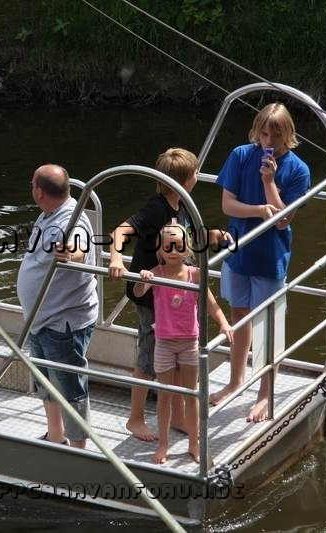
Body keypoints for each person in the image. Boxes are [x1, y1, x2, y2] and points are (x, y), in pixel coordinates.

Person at [210, 103, 310, 422]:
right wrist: (257, 210)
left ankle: (265, 395)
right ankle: (235, 380)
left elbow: (284, 220)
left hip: (270, 257)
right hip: (238, 251)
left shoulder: (297, 169)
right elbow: (228, 204)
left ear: (287, 134)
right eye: (264, 132)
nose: (268, 140)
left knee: (268, 323)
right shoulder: (240, 155)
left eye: (275, 135)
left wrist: (269, 183)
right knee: (240, 315)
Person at [108, 148, 215, 442]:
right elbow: (121, 231)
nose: (197, 177)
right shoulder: (157, 208)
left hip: (176, 295)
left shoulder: (181, 206)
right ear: (185, 179)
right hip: (151, 294)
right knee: (148, 356)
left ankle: (179, 416)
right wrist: (116, 259)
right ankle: (136, 418)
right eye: (194, 173)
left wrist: (213, 237)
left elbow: (187, 242)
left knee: (179, 355)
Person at [133, 224, 234, 464]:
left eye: (178, 246)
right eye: (167, 246)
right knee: (165, 397)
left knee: (191, 395)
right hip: (164, 344)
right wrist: (142, 279)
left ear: (187, 248)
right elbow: (138, 293)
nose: (173, 251)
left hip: (189, 343)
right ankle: (164, 445)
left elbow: (210, 303)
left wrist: (223, 323)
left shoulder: (194, 274)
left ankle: (193, 444)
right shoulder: (156, 273)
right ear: (160, 248)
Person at [17, 164, 99, 449]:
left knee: (69, 387)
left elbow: (78, 248)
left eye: (32, 185)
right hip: (42, 318)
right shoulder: (51, 212)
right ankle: (55, 434)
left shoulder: (70, 221)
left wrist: (70, 255)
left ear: (39, 192)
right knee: (45, 381)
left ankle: (78, 447)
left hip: (63, 322)